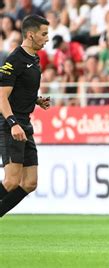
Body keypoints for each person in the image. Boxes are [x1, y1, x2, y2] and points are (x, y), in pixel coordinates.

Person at [0, 15, 51, 217]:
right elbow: (2, 96)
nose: (47, 38)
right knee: (12, 181)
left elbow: (18, 90)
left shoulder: (33, 59)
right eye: (44, 34)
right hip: (10, 124)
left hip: (24, 123)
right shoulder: (14, 60)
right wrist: (12, 123)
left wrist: (35, 100)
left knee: (30, 183)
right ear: (30, 35)